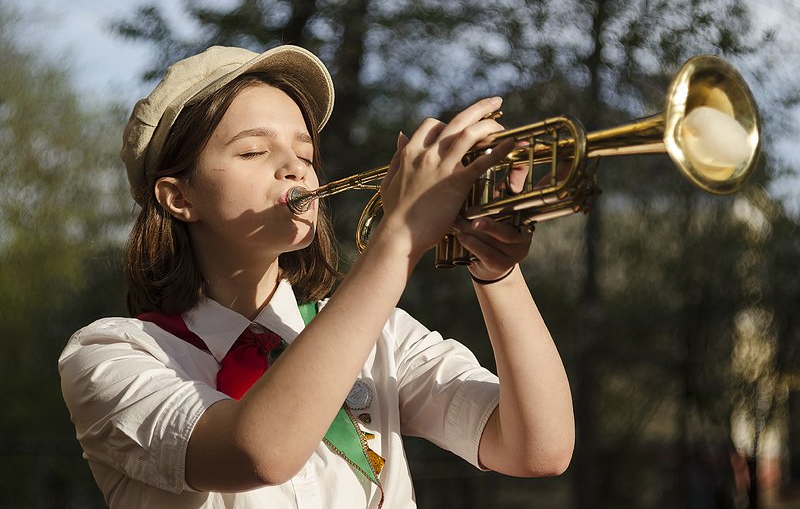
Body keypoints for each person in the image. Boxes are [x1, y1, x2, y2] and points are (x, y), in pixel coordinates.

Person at [58, 44, 574, 508]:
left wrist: (497, 271)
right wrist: (399, 236)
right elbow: (258, 453)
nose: (296, 168)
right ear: (179, 197)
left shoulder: (384, 335)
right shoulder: (110, 355)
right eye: (253, 151)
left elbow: (539, 451)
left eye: (305, 153)